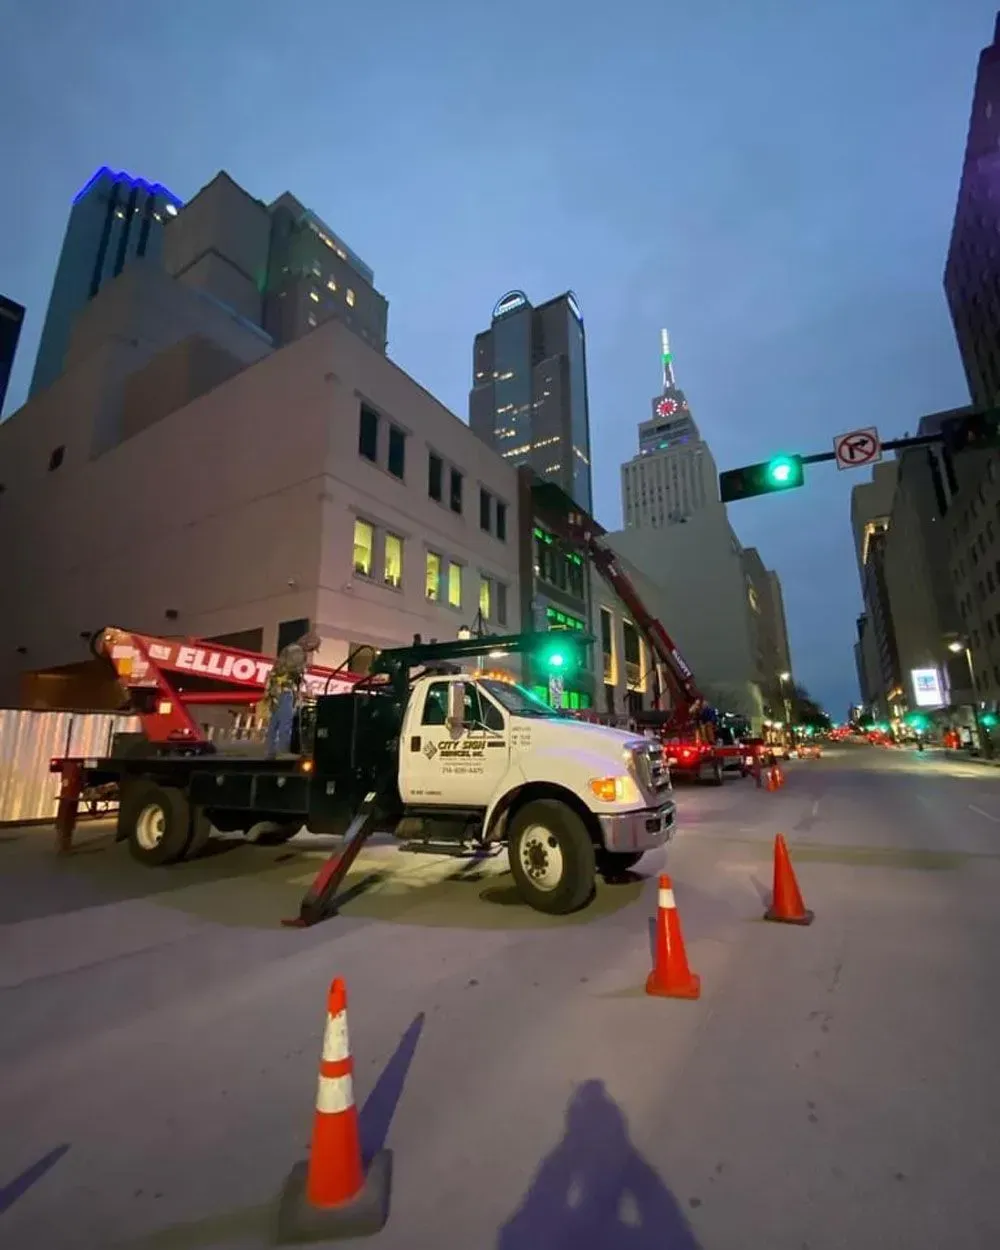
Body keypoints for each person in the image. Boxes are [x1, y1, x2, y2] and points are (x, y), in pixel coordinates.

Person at [262, 631, 321, 757]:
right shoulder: (298, 651)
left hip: (275, 690)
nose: (311, 652)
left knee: (275, 721)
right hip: (285, 689)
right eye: (312, 648)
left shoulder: (289, 648)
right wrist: (303, 673)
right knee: (286, 722)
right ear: (309, 644)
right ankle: (283, 752)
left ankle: (270, 750)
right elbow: (293, 670)